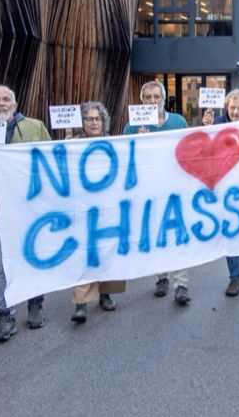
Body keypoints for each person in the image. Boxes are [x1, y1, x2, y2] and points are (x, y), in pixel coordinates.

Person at [0, 85, 50, 342]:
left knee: (33, 257)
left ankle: (35, 303)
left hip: (30, 209)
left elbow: (50, 161)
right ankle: (5, 314)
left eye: (7, 99)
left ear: (15, 105)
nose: (2, 104)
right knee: (0, 266)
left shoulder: (35, 127)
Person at [123, 80, 192, 305]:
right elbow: (126, 159)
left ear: (164, 99)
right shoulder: (132, 126)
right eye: (147, 98)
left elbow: (188, 152)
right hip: (147, 192)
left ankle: (181, 283)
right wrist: (138, 143)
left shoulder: (179, 122)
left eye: (156, 97)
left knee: (177, 236)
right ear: (141, 101)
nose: (152, 101)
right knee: (155, 235)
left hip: (174, 190)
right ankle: (161, 277)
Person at [68, 102, 127, 323]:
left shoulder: (114, 143)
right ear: (82, 123)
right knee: (84, 253)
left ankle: (105, 294)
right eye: (89, 119)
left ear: (104, 121)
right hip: (83, 209)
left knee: (108, 251)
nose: (93, 122)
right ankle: (81, 302)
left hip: (110, 208)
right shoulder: (72, 145)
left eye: (97, 118)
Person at [202, 89, 239, 297]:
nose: (236, 111)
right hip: (225, 188)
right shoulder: (216, 124)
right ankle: (234, 276)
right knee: (230, 230)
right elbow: (206, 151)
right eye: (232, 107)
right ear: (227, 107)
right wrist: (206, 129)